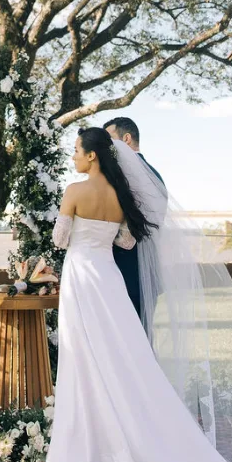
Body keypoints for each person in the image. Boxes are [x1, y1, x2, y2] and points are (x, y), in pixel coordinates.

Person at [44, 126, 232, 462]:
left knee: (82, 357)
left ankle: (79, 453)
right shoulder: (122, 195)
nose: (73, 158)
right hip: (108, 279)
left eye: (76, 152)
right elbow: (126, 242)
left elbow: (60, 239)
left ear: (90, 157)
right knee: (122, 357)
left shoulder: (74, 190)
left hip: (81, 277)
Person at [103, 117, 165, 318]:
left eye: (110, 139)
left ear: (126, 138)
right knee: (142, 338)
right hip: (148, 270)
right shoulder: (155, 175)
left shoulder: (126, 174)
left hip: (127, 268)